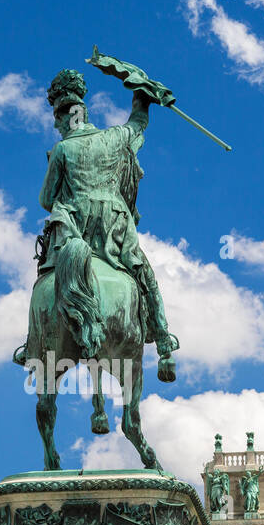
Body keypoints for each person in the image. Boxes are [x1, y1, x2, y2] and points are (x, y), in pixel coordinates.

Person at [34, 68, 179, 382]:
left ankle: (33, 339)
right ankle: (163, 337)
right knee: (141, 269)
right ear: (84, 114)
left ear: (64, 118)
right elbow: (138, 121)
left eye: (57, 121)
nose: (58, 127)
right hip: (114, 223)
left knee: (51, 269)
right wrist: (143, 93)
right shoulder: (115, 137)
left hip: (76, 223)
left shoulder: (62, 149)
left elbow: (46, 199)